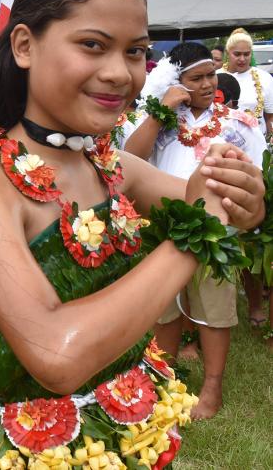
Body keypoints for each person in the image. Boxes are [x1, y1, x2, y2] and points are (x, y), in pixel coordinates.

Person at [0, 0, 264, 467]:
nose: (119, 72)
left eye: (135, 51)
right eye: (92, 44)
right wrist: (195, 236)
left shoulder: (112, 163)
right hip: (30, 449)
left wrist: (238, 197)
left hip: (132, 426)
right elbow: (55, 355)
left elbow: (210, 202)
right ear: (24, 45)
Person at [125, 42, 266, 420]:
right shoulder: (160, 121)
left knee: (214, 311)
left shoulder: (239, 122)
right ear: (177, 82)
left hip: (213, 231)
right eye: (196, 78)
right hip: (162, 229)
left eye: (210, 76)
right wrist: (161, 110)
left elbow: (254, 178)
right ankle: (162, 378)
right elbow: (130, 160)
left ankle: (212, 388)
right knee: (164, 310)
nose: (207, 83)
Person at [220, 28, 273, 133]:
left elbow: (270, 117)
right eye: (237, 54)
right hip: (222, 143)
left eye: (246, 54)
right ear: (227, 53)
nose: (242, 59)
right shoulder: (215, 76)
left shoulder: (265, 78)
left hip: (257, 145)